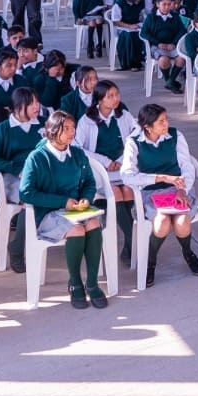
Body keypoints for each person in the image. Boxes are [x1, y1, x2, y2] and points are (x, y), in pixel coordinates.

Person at [18, 110, 109, 309]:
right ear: (52, 130)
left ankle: (92, 282)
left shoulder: (76, 153)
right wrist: (62, 201)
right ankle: (75, 283)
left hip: (76, 209)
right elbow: (25, 193)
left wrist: (86, 198)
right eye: (66, 128)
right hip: (48, 213)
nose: (71, 132)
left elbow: (90, 183)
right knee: (76, 229)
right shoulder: (37, 158)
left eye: (73, 128)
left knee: (93, 223)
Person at [121, 103, 198, 284]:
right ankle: (151, 261)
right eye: (161, 122)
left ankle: (187, 252)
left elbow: (187, 166)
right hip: (150, 193)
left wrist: (183, 188)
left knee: (182, 222)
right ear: (147, 127)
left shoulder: (175, 136)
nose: (166, 124)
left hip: (177, 189)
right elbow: (127, 175)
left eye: (166, 119)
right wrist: (160, 178)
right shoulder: (133, 142)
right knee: (161, 223)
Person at [74, 80, 138, 266]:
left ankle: (128, 247)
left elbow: (135, 137)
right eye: (110, 96)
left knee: (128, 190)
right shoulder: (86, 120)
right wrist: (105, 161)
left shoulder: (124, 115)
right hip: (99, 170)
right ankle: (134, 240)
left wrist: (122, 159)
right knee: (116, 192)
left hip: (121, 167)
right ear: (99, 100)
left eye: (117, 94)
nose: (116, 99)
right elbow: (78, 148)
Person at [0, 88, 44, 272]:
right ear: (18, 107)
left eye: (37, 102)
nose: (37, 106)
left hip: (42, 175)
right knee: (32, 198)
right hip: (14, 178)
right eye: (32, 103)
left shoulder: (43, 125)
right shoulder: (2, 130)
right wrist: (15, 168)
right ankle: (17, 248)